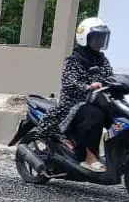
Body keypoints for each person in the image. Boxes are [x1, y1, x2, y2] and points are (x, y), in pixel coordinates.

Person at [37, 18, 113, 174]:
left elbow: (109, 77)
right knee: (94, 116)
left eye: (102, 37)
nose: (100, 41)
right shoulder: (74, 60)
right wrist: (87, 87)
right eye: (96, 37)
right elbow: (69, 83)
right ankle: (89, 158)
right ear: (85, 38)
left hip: (94, 100)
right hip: (73, 103)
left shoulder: (102, 59)